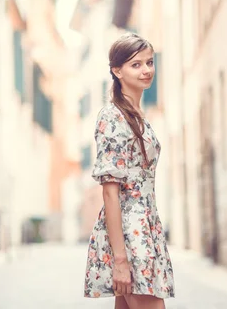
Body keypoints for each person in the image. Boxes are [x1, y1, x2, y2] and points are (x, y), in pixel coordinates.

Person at [84, 33, 174, 309]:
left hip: (145, 228)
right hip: (131, 234)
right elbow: (111, 193)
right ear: (116, 70)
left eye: (149, 62)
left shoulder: (137, 116)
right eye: (136, 65)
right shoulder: (112, 117)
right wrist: (120, 259)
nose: (146, 70)